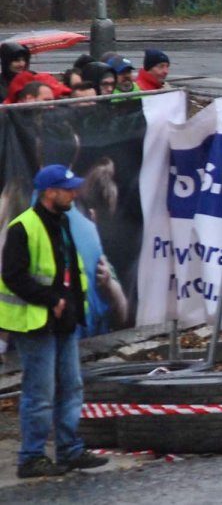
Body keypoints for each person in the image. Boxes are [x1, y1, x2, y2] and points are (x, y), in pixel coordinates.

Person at [1, 164, 108, 478]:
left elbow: (67, 272)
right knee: (40, 393)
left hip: (62, 323)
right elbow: (12, 276)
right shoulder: (24, 227)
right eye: (68, 188)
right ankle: (31, 458)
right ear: (50, 192)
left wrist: (72, 306)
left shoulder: (62, 222)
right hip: (36, 324)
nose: (74, 193)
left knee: (71, 388)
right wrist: (52, 299)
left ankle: (69, 450)